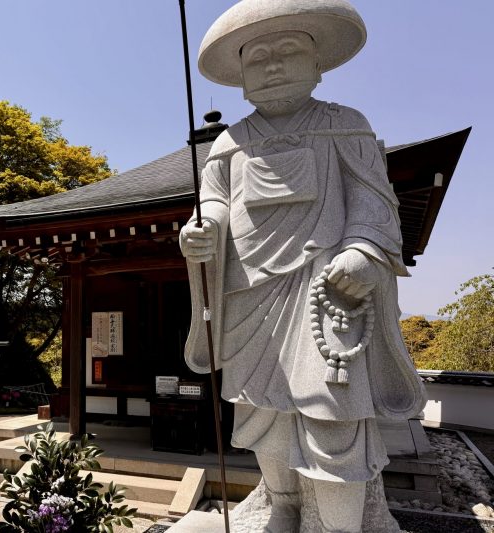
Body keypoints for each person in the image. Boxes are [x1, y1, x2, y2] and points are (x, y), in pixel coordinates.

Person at [179, 1, 426, 531]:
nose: (271, 64)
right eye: (257, 56)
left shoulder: (345, 126)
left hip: (325, 288)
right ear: (240, 75)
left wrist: (363, 250)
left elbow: (373, 202)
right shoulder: (229, 143)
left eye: (287, 50)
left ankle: (339, 525)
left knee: (333, 413)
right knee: (261, 411)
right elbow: (215, 203)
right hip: (249, 294)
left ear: (317, 63)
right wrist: (200, 232)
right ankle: (283, 504)